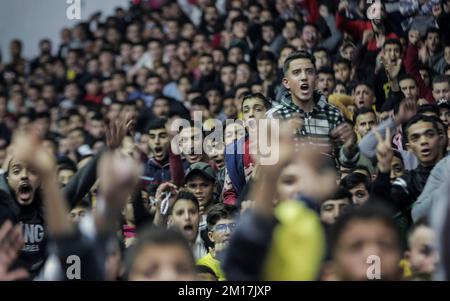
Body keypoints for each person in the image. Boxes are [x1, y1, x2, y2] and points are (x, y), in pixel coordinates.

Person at [197, 203, 237, 281]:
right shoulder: (203, 266)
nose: (228, 232)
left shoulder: (248, 258)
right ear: (211, 236)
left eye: (233, 226)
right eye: (221, 227)